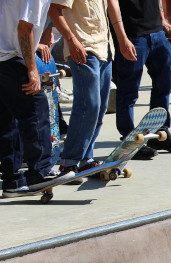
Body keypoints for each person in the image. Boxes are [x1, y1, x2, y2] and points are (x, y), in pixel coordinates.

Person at [0, 0, 74, 197]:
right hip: (10, 56)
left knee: (9, 119)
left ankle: (12, 180)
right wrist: (32, 70)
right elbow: (24, 28)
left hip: (2, 55)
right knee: (36, 108)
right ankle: (40, 173)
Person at [110, 0, 171, 158]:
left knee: (164, 86)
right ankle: (129, 140)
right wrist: (122, 38)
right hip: (133, 36)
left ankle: (160, 133)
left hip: (157, 33)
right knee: (128, 92)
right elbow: (112, 5)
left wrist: (162, 19)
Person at [48, 0, 115, 176]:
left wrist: (121, 39)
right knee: (88, 106)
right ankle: (69, 161)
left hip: (105, 47)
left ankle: (86, 158)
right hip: (83, 48)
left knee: (99, 108)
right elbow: (54, 9)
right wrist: (71, 40)